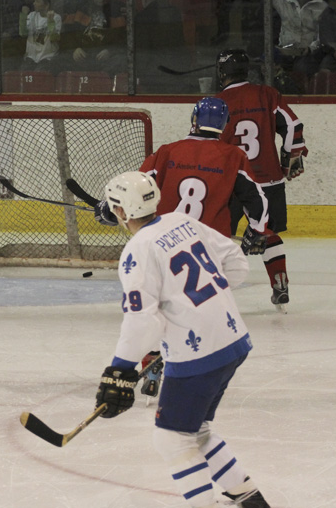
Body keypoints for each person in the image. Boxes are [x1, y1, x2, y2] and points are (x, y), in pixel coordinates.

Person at [93, 171, 272, 508]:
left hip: (199, 353)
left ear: (119, 212)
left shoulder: (136, 251)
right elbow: (236, 263)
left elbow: (141, 317)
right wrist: (201, 309)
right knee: (195, 428)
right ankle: (249, 499)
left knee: (171, 438)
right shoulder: (182, 221)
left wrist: (119, 368)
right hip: (233, 339)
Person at [215, 49, 308, 309]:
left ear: (222, 73)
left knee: (219, 236)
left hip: (233, 183)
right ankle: (280, 282)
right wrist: (292, 155)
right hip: (269, 179)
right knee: (267, 232)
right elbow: (292, 126)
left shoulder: (218, 102)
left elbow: (210, 144)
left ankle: (213, 292)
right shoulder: (267, 94)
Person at [125, 97, 269, 246]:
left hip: (166, 243)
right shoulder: (234, 156)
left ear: (194, 118)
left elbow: (136, 187)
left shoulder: (166, 152)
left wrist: (110, 209)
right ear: (225, 124)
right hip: (212, 245)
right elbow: (255, 199)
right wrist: (256, 230)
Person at [18, 0, 62, 70]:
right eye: (34, 1)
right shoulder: (32, 15)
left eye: (37, 1)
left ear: (46, 5)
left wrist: (51, 22)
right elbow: (23, 33)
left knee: (40, 74)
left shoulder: (56, 17)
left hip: (47, 57)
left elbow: (54, 39)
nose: (34, 3)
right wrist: (23, 16)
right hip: (31, 57)